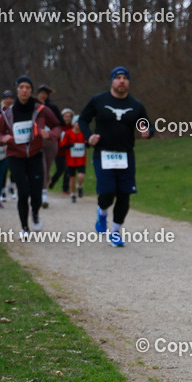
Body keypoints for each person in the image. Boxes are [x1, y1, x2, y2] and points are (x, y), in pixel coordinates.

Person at [77, 66, 154, 247]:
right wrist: (89, 136)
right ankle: (102, 213)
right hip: (103, 154)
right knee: (107, 193)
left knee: (124, 195)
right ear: (112, 81)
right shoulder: (98, 100)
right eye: (118, 77)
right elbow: (82, 119)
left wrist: (147, 131)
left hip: (126, 155)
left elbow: (148, 125)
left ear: (128, 82)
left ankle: (116, 232)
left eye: (125, 78)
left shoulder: (136, 105)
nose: (121, 81)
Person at [0, 76, 61, 237]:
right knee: (23, 192)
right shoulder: (8, 113)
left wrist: (50, 134)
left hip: (36, 154)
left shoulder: (41, 110)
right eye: (21, 87)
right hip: (15, 155)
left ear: (31, 91)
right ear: (17, 90)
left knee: (37, 194)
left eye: (28, 88)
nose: (24, 90)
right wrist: (3, 139)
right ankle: (24, 227)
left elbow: (58, 126)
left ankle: (35, 213)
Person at [36, 84, 64, 208]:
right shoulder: (33, 107)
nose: (43, 95)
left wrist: (51, 131)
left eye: (45, 93)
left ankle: (44, 193)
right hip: (36, 140)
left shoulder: (52, 107)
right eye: (41, 93)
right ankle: (40, 195)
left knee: (47, 168)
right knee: (40, 167)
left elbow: (61, 123)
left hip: (50, 140)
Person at [60, 111, 87, 202]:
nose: (79, 124)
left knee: (81, 176)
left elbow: (89, 144)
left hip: (81, 159)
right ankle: (73, 194)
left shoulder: (84, 133)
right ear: (73, 123)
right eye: (77, 122)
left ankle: (80, 186)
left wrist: (87, 144)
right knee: (72, 178)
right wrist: (70, 145)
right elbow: (63, 145)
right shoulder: (68, 133)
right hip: (71, 160)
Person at [48, 107, 72, 194]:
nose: (67, 118)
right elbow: (55, 139)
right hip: (59, 152)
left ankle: (65, 188)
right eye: (65, 116)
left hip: (69, 152)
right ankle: (52, 182)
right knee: (60, 169)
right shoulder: (59, 127)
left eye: (69, 116)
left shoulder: (72, 128)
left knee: (68, 169)